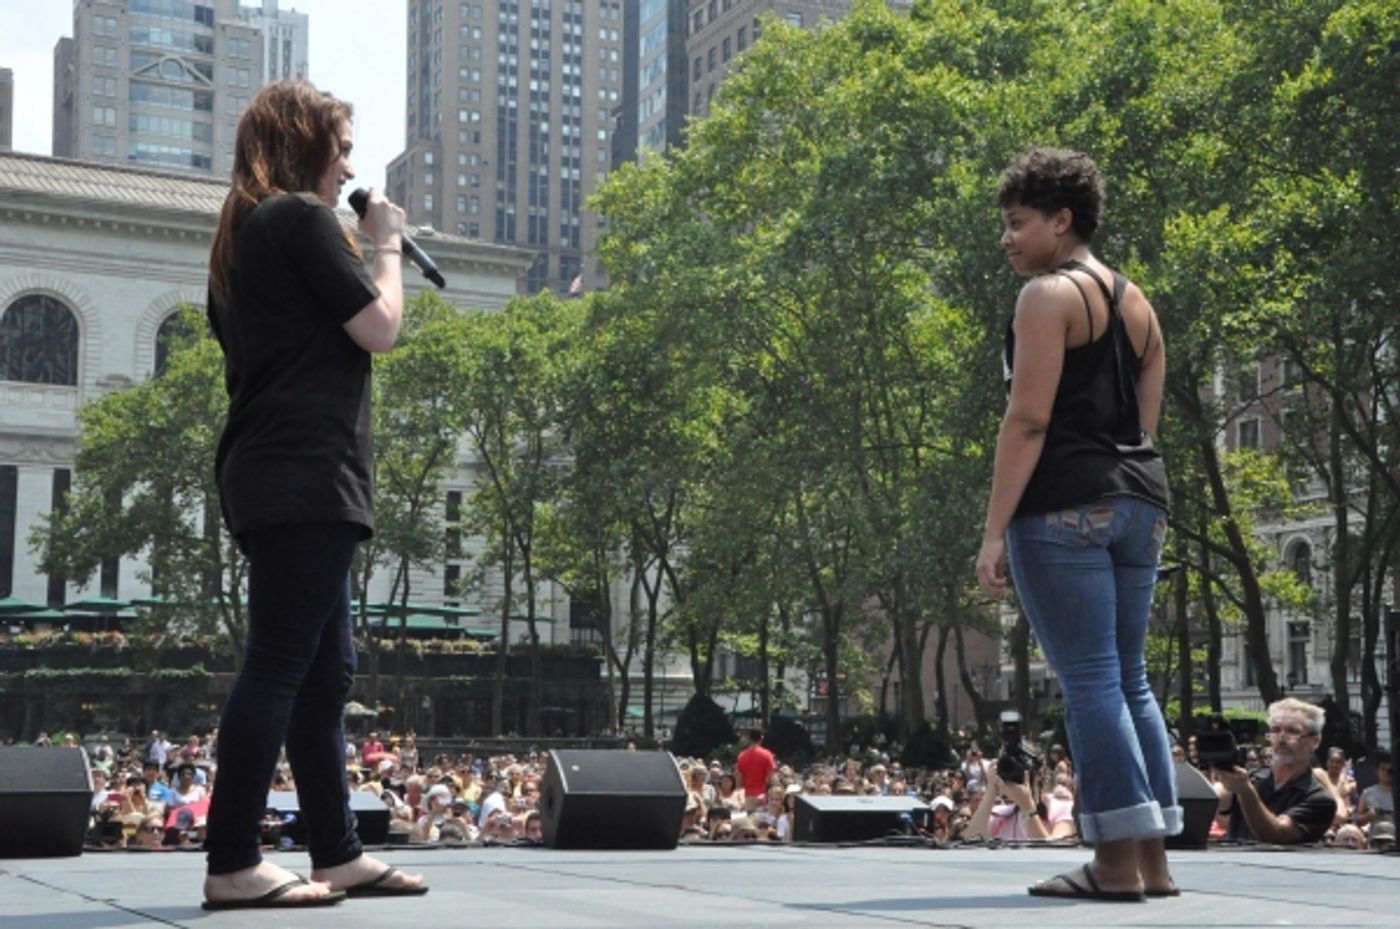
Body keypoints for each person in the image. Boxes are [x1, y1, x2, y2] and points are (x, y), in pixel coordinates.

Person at [200, 79, 425, 910]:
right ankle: (231, 860)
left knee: (328, 672)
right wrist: (388, 245)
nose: (350, 168)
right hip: (304, 471)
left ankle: (336, 849)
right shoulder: (296, 220)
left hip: (273, 472)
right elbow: (380, 327)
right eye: (341, 148)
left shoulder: (239, 245)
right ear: (305, 148)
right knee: (282, 665)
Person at [976, 148, 1177, 902]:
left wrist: (994, 530)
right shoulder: (1139, 304)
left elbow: (1027, 420)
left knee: (1091, 679)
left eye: (1017, 222)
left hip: (1065, 503)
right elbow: (1143, 422)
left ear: (1062, 222)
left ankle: (1114, 864)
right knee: (1132, 680)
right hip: (1140, 499)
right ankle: (1154, 863)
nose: (1007, 238)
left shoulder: (1046, 297)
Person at [1215, 698, 1336, 844]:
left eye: (1293, 731)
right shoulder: (1252, 778)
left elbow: (1275, 834)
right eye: (1275, 730)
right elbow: (1213, 799)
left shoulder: (1320, 800)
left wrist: (1245, 791)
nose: (1282, 738)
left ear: (1315, 741)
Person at [736, 729, 777, 813]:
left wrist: (738, 796)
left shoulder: (741, 756)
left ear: (749, 739)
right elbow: (771, 778)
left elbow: (739, 779)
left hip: (747, 795)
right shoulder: (767, 755)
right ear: (761, 738)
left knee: (749, 822)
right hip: (763, 795)